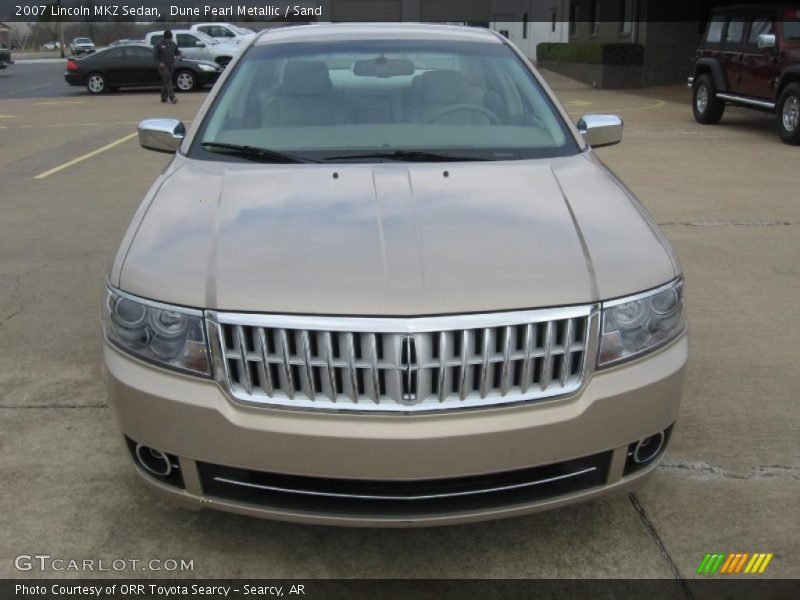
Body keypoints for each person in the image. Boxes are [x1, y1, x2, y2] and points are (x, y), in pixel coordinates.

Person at [153, 30, 181, 104]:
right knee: (168, 80)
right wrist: (159, 63)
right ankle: (172, 97)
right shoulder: (159, 44)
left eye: (170, 38)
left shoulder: (173, 44)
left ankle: (163, 97)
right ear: (165, 38)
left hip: (171, 65)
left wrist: (178, 56)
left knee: (166, 81)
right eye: (168, 39)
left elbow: (177, 52)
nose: (169, 40)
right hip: (163, 66)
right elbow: (155, 56)